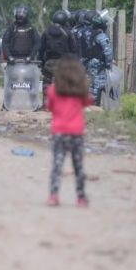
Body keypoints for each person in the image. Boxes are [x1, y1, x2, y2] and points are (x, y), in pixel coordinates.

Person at [46, 56, 94, 208]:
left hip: (59, 132)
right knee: (78, 166)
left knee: (57, 164)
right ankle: (81, 197)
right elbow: (88, 102)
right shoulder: (80, 92)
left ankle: (53, 196)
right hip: (76, 132)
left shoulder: (52, 90)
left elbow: (50, 107)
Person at [39, 9, 78, 101]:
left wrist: (41, 61)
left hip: (49, 62)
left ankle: (46, 101)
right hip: (64, 63)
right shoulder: (68, 33)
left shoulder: (46, 32)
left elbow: (41, 49)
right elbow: (73, 49)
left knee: (47, 83)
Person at [83, 12, 114, 105]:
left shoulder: (89, 34)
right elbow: (108, 52)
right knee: (98, 83)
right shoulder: (102, 36)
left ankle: (89, 102)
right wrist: (109, 64)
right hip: (99, 63)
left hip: (90, 62)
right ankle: (95, 103)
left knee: (91, 83)